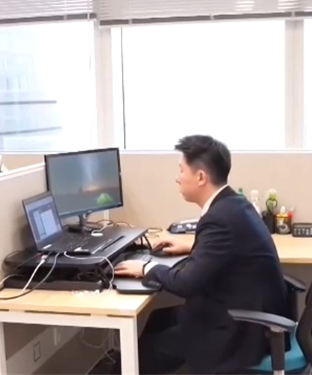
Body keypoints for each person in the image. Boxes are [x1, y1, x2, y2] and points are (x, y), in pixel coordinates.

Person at [115, 135, 291, 374]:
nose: (177, 178)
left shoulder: (218, 219)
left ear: (200, 177)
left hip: (239, 332)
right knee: (157, 319)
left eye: (181, 170)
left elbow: (186, 284)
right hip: (244, 314)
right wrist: (191, 246)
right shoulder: (234, 204)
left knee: (139, 354)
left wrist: (146, 268)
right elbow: (231, 250)